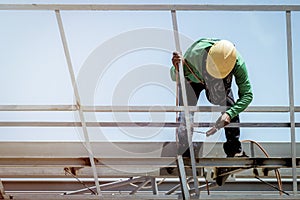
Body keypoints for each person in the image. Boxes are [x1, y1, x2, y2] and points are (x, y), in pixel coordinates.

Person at [170, 38, 253, 158]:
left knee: (229, 105)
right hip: (194, 79)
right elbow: (173, 75)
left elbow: (247, 95)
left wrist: (229, 114)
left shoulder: (237, 63)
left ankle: (234, 149)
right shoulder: (194, 55)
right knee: (186, 111)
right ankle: (185, 149)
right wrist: (178, 68)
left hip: (219, 82)